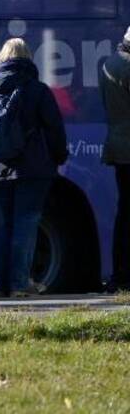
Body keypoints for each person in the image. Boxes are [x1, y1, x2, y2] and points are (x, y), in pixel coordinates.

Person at [0, 38, 67, 297]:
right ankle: (20, 284)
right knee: (26, 223)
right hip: (34, 169)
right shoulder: (38, 90)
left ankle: (2, 284)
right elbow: (54, 129)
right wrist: (58, 156)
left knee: (3, 225)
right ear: (29, 58)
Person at [100, 26, 130, 292]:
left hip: (119, 147)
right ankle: (123, 275)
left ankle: (120, 274)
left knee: (125, 212)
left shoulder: (110, 62)